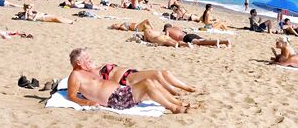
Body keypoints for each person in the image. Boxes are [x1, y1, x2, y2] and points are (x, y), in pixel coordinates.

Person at [67, 48, 197, 113]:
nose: (90, 59)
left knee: (152, 82)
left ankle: (179, 103)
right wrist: (88, 103)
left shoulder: (88, 72)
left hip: (121, 92)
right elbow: (71, 96)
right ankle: (174, 108)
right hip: (116, 99)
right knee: (147, 83)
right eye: (87, 58)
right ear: (79, 62)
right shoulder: (75, 75)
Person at [163, 24, 231, 48]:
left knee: (202, 42)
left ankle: (220, 41)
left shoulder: (167, 29)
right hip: (190, 34)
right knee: (205, 42)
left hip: (186, 38)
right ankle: (225, 41)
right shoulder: (176, 27)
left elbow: (166, 38)